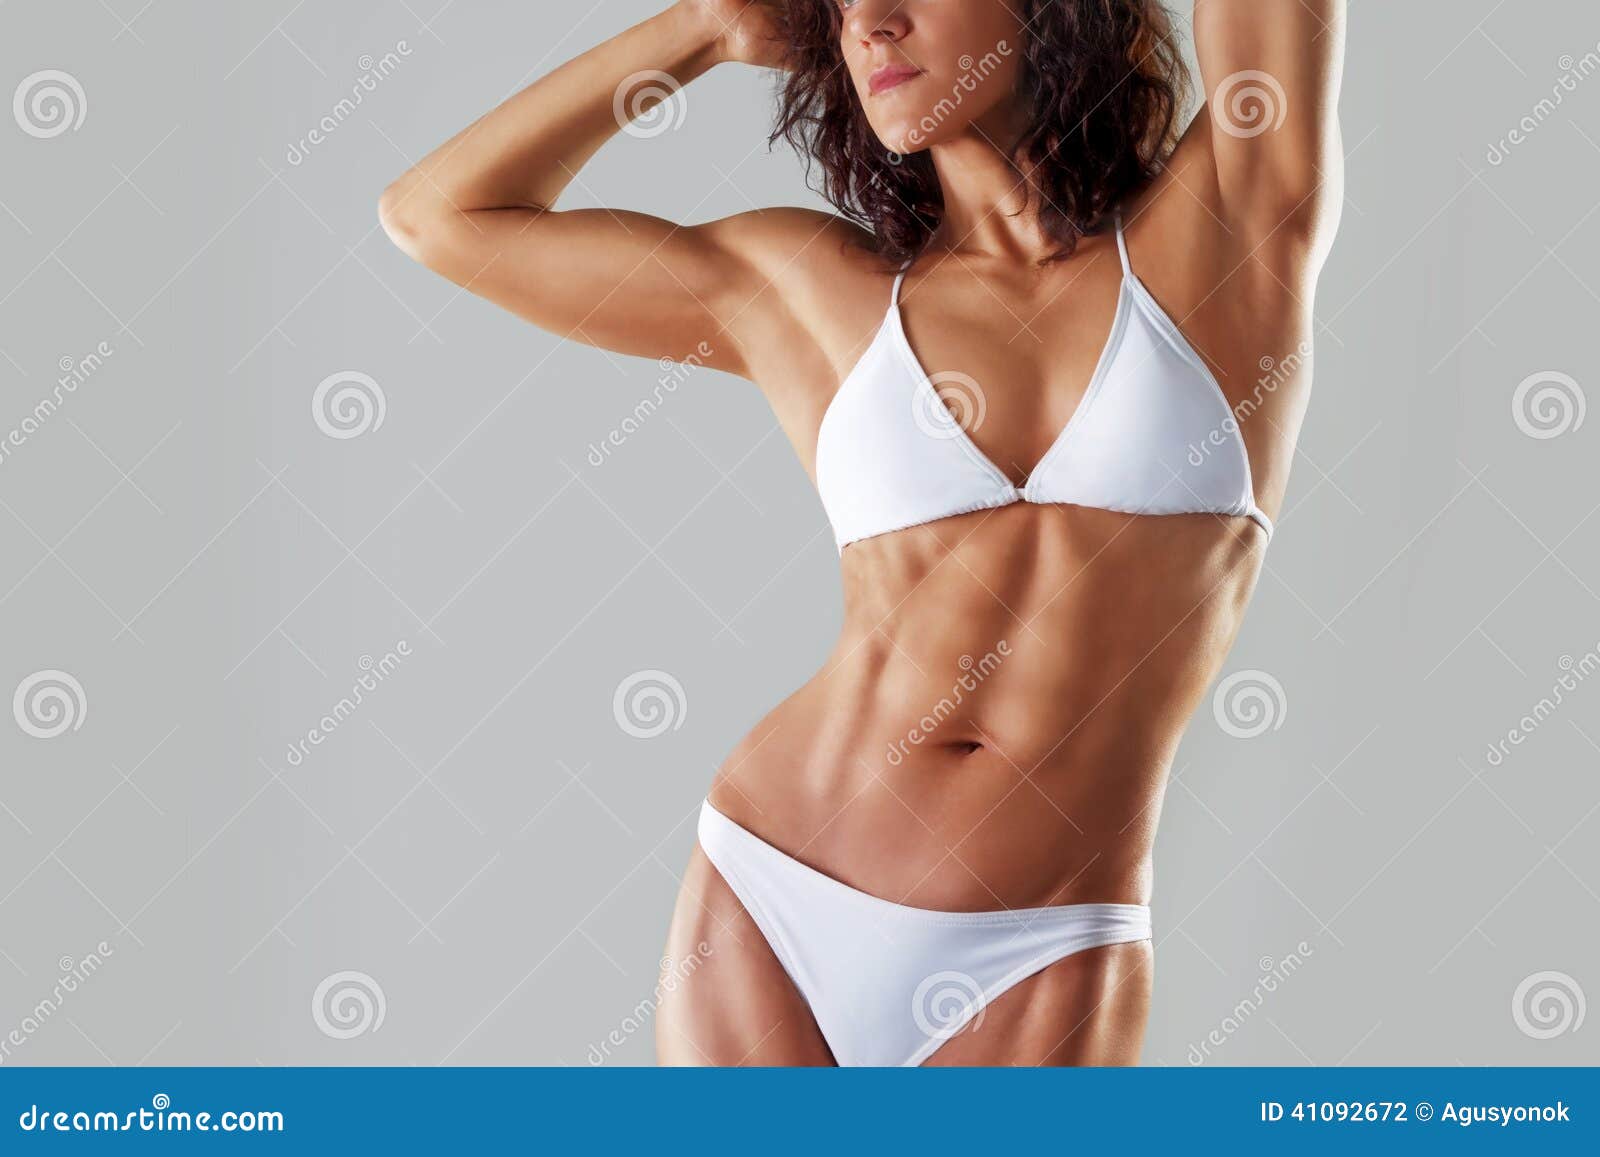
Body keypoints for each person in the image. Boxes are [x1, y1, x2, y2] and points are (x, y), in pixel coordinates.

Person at [379, 0, 1345, 1066]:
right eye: (840, 6)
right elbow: (440, 216)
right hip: (776, 894)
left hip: (1044, 940)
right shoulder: (806, 289)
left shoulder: (1230, 228)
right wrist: (703, 30)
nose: (871, 23)